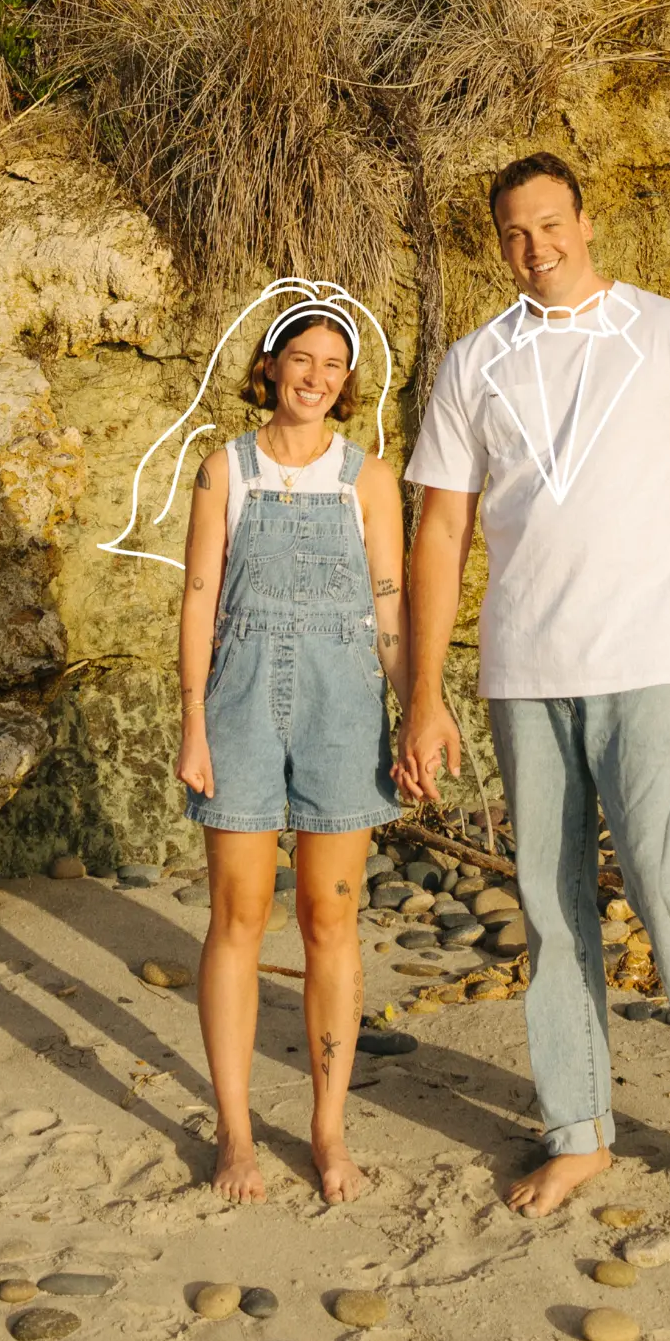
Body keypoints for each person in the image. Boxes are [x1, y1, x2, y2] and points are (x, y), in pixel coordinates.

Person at [398, 154, 670, 1223]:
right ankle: (579, 1132)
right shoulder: (474, 360)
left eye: (552, 224)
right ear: (500, 241)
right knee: (551, 908)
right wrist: (423, 692)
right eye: (516, 233)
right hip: (524, 674)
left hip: (649, 663)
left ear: (585, 218)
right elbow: (440, 527)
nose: (538, 247)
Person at [176, 300, 405, 1203]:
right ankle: (235, 1133)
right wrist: (193, 722)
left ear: (348, 384)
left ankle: (326, 1128)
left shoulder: (369, 478)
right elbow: (198, 599)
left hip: (344, 704)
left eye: (335, 365)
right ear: (269, 367)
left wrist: (418, 708)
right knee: (237, 914)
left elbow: (390, 607)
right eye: (300, 359)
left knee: (328, 920)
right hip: (237, 697)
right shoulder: (220, 469)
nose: (316, 376)